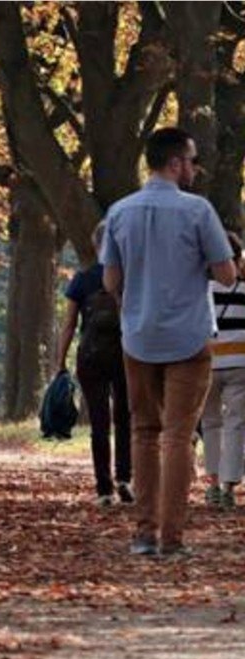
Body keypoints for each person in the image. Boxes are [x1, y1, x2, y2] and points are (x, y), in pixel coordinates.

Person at [101, 126, 235, 557]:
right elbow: (227, 275)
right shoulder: (198, 212)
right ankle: (172, 538)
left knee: (143, 432)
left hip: (138, 336)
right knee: (178, 436)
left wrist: (135, 301)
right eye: (192, 160)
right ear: (176, 163)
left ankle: (143, 533)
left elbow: (110, 279)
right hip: (189, 336)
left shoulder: (120, 213)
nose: (195, 168)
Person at [56, 222, 132, 507]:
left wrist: (60, 362)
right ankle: (125, 477)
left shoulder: (82, 279)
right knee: (125, 417)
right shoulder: (128, 277)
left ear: (96, 245)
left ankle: (104, 489)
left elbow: (69, 325)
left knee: (99, 423)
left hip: (91, 356)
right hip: (125, 354)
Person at [202, 233, 245, 510]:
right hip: (240, 364)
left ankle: (214, 484)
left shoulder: (201, 288)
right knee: (236, 423)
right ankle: (230, 486)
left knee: (210, 423)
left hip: (207, 364)